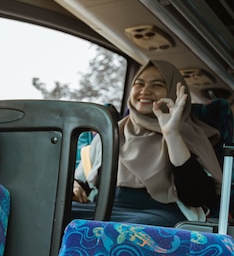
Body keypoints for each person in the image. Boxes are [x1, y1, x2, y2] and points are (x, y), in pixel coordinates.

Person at [71, 60, 223, 227]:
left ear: (173, 92)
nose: (145, 91)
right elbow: (84, 182)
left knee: (135, 229)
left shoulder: (189, 135)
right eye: (139, 84)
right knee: (57, 212)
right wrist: (75, 186)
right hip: (104, 208)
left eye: (157, 85)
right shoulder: (110, 132)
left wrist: (171, 134)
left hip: (159, 213)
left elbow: (197, 196)